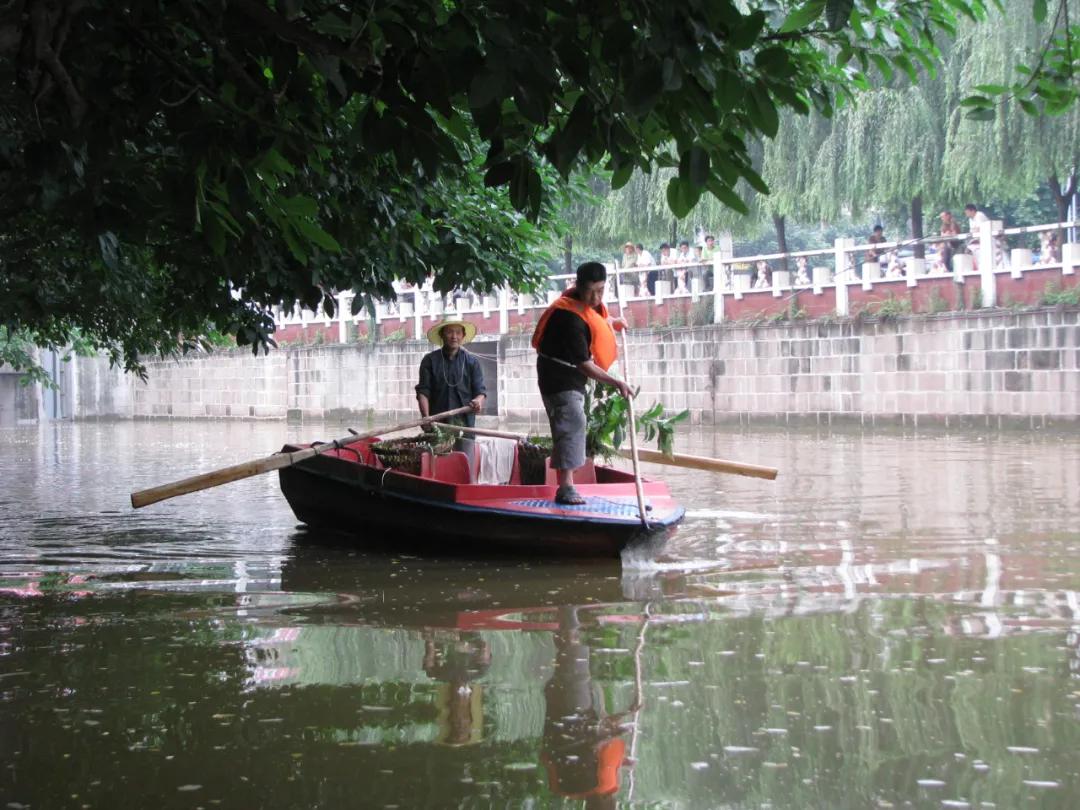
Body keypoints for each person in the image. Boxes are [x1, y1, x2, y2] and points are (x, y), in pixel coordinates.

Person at [531, 262, 633, 506]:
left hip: (572, 378)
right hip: (558, 377)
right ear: (577, 286)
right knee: (571, 421)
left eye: (601, 291)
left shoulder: (585, 307)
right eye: (591, 291)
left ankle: (569, 483)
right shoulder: (568, 318)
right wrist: (616, 381)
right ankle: (565, 488)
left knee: (575, 421)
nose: (596, 297)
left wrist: (613, 322)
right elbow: (585, 364)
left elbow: (594, 324)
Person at [540, 606, 638, 809]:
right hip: (556, 711)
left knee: (571, 645)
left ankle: (567, 601)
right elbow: (546, 756)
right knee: (566, 653)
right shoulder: (560, 788)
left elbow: (607, 742)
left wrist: (622, 730)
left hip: (576, 707)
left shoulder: (605, 785)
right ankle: (564, 611)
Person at [415, 316, 486, 437]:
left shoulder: (471, 362)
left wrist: (478, 401)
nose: (454, 336)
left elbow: (480, 392)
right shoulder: (429, 361)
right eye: (449, 332)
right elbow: (423, 392)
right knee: (437, 455)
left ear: (463, 336)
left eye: (458, 332)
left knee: (464, 456)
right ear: (442, 335)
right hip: (437, 426)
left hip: (465, 426)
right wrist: (426, 418)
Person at [964, 203, 1005, 270]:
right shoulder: (970, 219)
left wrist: (974, 231)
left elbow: (980, 229)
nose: (966, 214)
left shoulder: (979, 215)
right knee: (968, 250)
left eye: (967, 212)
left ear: (972, 211)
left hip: (988, 238)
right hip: (977, 239)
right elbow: (972, 231)